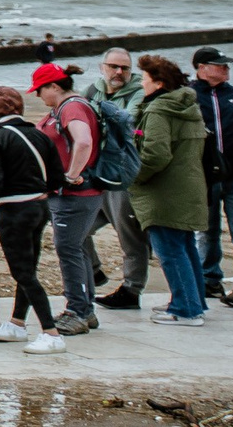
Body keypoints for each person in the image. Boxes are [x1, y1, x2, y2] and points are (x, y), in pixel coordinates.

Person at [0, 85, 65, 352]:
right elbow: (57, 178)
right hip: (40, 207)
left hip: (13, 210)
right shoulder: (38, 136)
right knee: (28, 267)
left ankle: (51, 333)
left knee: (23, 272)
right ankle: (16, 323)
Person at [130, 53, 209, 324]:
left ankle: (187, 310)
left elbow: (155, 154)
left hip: (165, 192)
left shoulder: (158, 111)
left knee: (171, 251)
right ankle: (193, 301)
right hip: (190, 187)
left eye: (144, 79)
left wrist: (133, 177)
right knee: (185, 246)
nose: (142, 84)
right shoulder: (189, 107)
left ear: (159, 83)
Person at [28, 63, 104, 334]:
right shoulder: (73, 106)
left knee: (69, 249)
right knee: (77, 247)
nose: (39, 96)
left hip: (74, 195)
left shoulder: (71, 107)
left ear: (54, 86)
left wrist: (71, 174)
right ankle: (86, 309)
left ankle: (78, 311)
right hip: (78, 194)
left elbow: (83, 142)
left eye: (40, 90)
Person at [84, 48, 146, 310]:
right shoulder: (91, 90)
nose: (119, 72)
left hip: (122, 177)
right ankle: (95, 272)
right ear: (102, 67)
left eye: (125, 68)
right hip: (97, 173)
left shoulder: (139, 92)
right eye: (113, 66)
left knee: (129, 236)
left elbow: (126, 124)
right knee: (79, 229)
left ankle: (132, 290)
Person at [191, 48, 233, 308]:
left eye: (227, 65)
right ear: (201, 67)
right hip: (203, 176)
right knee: (206, 232)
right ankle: (209, 279)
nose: (226, 69)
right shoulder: (188, 96)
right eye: (219, 65)